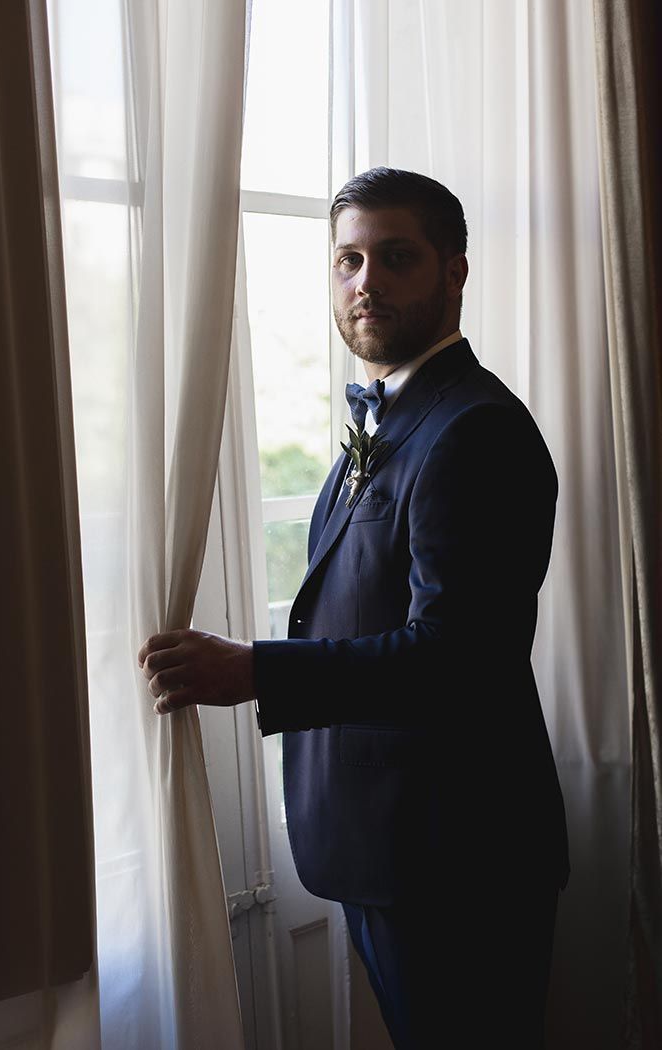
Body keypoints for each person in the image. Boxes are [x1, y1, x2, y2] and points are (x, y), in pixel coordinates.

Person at [138, 167, 570, 1048]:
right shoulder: (389, 420)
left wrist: (253, 668)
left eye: (395, 257)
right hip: (391, 847)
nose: (365, 281)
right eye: (348, 260)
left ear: (454, 272)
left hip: (456, 856)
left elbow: (456, 654)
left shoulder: (474, 429)